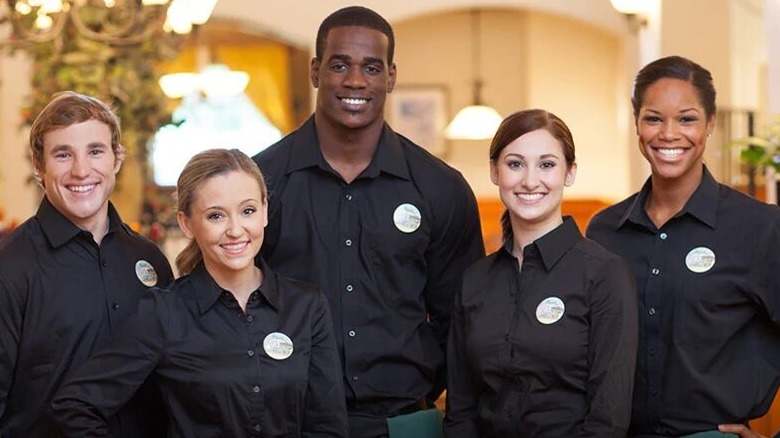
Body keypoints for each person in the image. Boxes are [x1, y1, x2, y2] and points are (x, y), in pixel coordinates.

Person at [253, 6, 485, 437]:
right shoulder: (260, 182)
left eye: (371, 68)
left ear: (391, 77)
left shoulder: (440, 187)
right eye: (340, 65)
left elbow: (461, 320)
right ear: (316, 71)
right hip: (288, 422)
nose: (355, 81)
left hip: (406, 422)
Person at [51, 148, 348, 437]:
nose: (235, 230)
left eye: (247, 211)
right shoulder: (163, 314)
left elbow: (327, 426)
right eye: (216, 216)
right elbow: (75, 407)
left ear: (265, 211)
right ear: (186, 223)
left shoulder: (307, 306)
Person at [586, 55, 780, 438]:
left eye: (687, 118)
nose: (668, 134)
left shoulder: (760, 227)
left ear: (710, 124)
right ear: (637, 124)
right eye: (654, 118)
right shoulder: (605, 231)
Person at [444, 109, 638, 437]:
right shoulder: (475, 281)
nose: (530, 181)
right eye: (515, 164)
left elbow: (609, 417)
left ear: (570, 172)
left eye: (546, 164)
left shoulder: (605, 275)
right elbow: (460, 409)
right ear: (495, 172)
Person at [0, 91, 173, 437]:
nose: (81, 171)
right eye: (63, 154)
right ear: (39, 165)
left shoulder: (149, 259)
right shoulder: (9, 266)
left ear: (117, 158)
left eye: (95, 151)